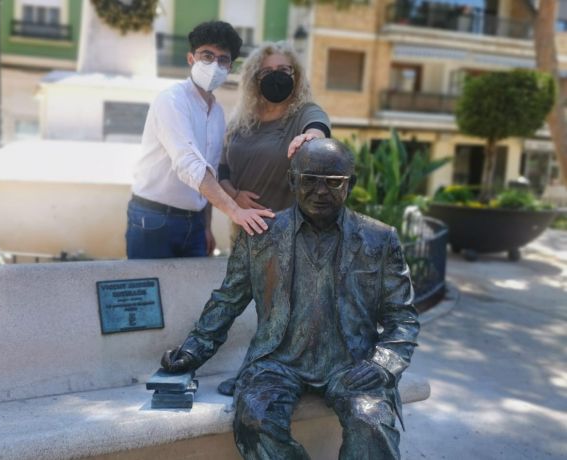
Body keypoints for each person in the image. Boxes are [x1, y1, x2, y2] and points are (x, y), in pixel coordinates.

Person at [160, 139, 420, 459]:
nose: (321, 191)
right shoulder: (261, 235)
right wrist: (192, 351)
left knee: (371, 422)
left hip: (352, 362)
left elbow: (402, 317)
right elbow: (228, 300)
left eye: (333, 182)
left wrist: (384, 363)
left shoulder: (380, 239)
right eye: (310, 179)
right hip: (278, 364)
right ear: (292, 180)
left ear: (350, 183)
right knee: (255, 417)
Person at [127, 21, 274, 260]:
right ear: (190, 59)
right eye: (207, 55)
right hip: (153, 220)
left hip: (194, 224)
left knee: (191, 296)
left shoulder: (217, 113)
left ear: (229, 67)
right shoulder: (172, 101)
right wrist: (235, 211)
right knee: (149, 295)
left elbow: (210, 171)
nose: (214, 65)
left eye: (222, 59)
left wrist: (206, 226)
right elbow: (190, 165)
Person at [219, 41, 331, 214]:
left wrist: (311, 140)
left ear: (297, 75)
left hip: (286, 231)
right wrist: (234, 196)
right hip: (242, 228)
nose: (276, 76)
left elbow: (317, 127)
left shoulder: (305, 112)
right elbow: (222, 171)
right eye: (267, 72)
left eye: (284, 70)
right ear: (254, 79)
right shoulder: (240, 120)